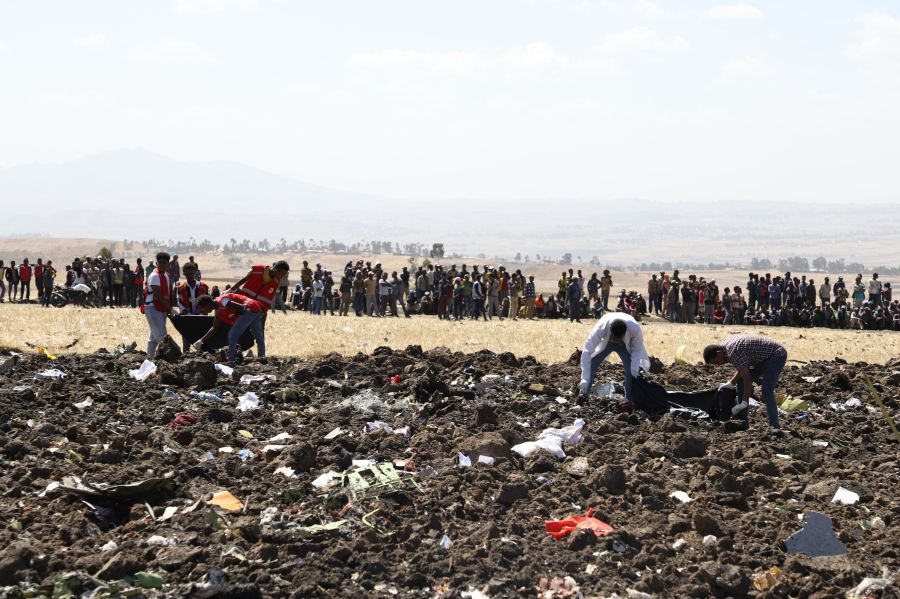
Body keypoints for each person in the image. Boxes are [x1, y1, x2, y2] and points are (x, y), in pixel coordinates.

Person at [703, 334, 787, 429]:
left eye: (716, 362)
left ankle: (775, 426)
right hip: (761, 357)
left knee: (767, 390)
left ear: (718, 353)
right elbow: (742, 368)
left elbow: (748, 379)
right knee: (741, 381)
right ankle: (743, 421)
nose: (718, 365)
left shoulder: (733, 352)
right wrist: (731, 383)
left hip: (776, 355)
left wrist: (744, 402)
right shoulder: (725, 348)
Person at [577, 313, 650, 408]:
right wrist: (585, 378)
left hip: (624, 346)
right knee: (592, 365)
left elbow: (637, 350)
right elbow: (587, 351)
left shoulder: (634, 329)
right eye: (615, 338)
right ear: (611, 331)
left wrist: (634, 369)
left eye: (618, 338)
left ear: (624, 334)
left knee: (629, 371)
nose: (616, 340)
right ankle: (583, 396)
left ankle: (629, 400)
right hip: (608, 343)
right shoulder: (602, 327)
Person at [194, 293, 265, 362]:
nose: (202, 311)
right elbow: (214, 328)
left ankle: (231, 361)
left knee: (232, 335)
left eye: (202, 308)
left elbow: (241, 307)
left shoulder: (222, 301)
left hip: (249, 308)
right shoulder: (218, 310)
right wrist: (200, 341)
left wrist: (234, 315)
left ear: (207, 304)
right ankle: (262, 357)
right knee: (258, 336)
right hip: (255, 307)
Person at [144, 252, 173, 358]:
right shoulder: (155, 276)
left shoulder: (165, 275)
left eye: (164, 263)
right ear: (156, 263)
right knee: (162, 337)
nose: (162, 264)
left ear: (167, 264)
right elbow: (158, 296)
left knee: (153, 338)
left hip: (160, 308)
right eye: (159, 262)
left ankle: (150, 358)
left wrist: (168, 308)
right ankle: (165, 360)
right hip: (153, 308)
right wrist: (170, 308)